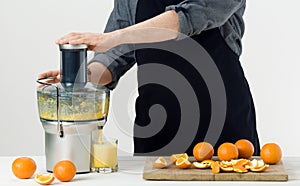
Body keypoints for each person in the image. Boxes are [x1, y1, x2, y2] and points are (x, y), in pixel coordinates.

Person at [39, 0, 260, 156]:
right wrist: (80, 77)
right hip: (158, 122)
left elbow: (189, 18)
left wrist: (111, 38)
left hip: (223, 117)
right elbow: (113, 57)